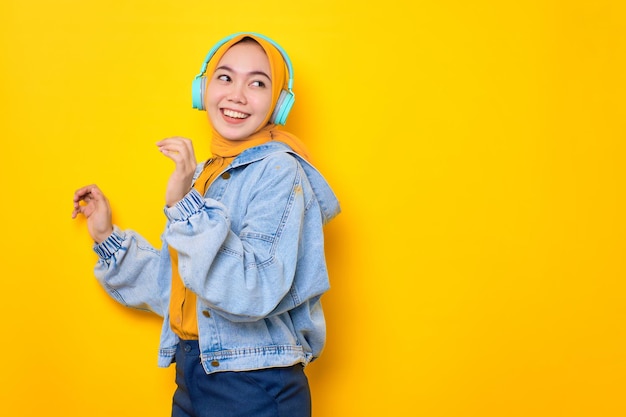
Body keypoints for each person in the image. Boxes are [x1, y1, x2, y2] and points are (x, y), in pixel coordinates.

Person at [71, 32, 340, 417]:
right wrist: (106, 237)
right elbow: (175, 287)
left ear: (279, 103)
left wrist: (185, 207)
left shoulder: (280, 171)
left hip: (255, 384)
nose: (237, 95)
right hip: (194, 374)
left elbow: (254, 288)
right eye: (225, 77)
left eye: (258, 83)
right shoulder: (204, 176)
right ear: (203, 88)